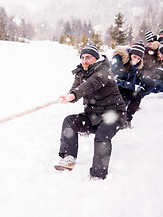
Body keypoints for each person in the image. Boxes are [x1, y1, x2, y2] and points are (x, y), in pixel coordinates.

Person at [54, 42, 126, 180]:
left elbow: (89, 85)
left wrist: (74, 94)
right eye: (82, 57)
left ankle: (98, 174)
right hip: (93, 116)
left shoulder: (104, 71)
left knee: (102, 135)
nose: (84, 61)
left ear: (96, 58)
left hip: (114, 115)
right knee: (70, 121)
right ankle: (69, 157)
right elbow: (76, 89)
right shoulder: (81, 73)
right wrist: (69, 97)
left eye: (88, 57)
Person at [110, 41, 145, 127]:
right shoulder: (118, 58)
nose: (136, 60)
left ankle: (127, 120)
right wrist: (123, 83)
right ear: (130, 54)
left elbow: (132, 85)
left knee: (137, 96)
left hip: (120, 91)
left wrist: (121, 82)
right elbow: (111, 78)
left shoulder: (134, 67)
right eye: (134, 57)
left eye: (138, 59)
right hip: (109, 90)